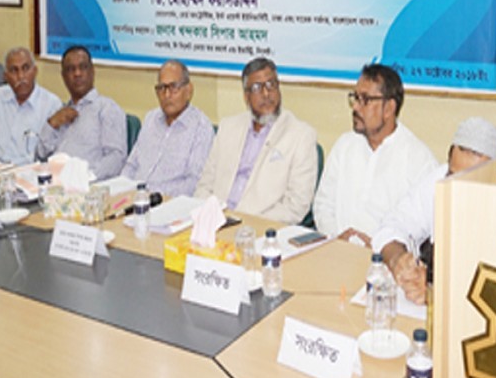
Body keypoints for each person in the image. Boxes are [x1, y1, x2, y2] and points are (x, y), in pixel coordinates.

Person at [373, 117, 496, 304]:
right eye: (453, 175)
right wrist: (399, 261)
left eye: (471, 180)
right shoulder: (439, 180)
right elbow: (390, 226)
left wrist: (435, 294)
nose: (458, 186)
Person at [313, 63, 437, 246]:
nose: (355, 107)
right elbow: (323, 205)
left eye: (365, 99)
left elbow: (425, 230)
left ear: (389, 109)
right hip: (337, 252)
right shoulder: (345, 145)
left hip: (386, 265)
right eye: (355, 97)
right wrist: (337, 238)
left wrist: (383, 248)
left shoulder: (419, 159)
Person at [195, 57, 317, 224]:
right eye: (257, 88)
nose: (266, 94)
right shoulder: (228, 127)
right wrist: (211, 215)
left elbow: (296, 206)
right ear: (246, 96)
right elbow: (204, 185)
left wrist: (248, 223)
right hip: (216, 221)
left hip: (258, 229)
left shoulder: (301, 135)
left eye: (271, 85)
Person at [122, 60, 214, 196]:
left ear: (188, 90)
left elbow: (193, 183)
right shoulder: (151, 119)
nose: (166, 95)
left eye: (173, 87)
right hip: (134, 200)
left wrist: (153, 196)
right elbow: (132, 165)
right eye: (161, 88)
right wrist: (122, 190)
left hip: (168, 205)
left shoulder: (201, 127)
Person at [36, 46, 127, 180]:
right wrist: (52, 124)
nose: (77, 73)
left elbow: (116, 159)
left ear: (92, 71)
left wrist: (85, 177)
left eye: (83, 67)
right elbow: (40, 155)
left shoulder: (106, 108)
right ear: (63, 77)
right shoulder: (61, 112)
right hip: (52, 185)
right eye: (70, 69)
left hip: (86, 186)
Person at [0, 47, 62, 164]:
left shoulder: (52, 105)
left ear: (35, 71)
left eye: (25, 69)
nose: (21, 76)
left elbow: (51, 155)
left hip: (28, 175)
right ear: (5, 76)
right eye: (14, 70)